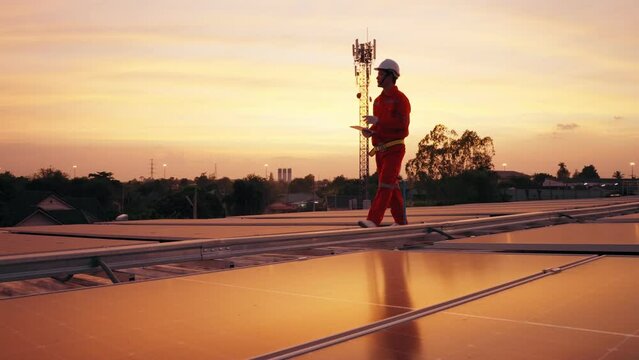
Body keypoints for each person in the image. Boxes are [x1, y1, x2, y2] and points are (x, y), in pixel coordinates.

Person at [358, 59, 410, 228]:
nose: (377, 77)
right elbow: (381, 126)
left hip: (394, 148)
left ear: (390, 75)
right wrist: (371, 131)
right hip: (380, 150)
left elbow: (402, 125)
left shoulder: (401, 99)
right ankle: (401, 222)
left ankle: (373, 219)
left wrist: (379, 120)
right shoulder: (378, 101)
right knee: (391, 186)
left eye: (380, 73)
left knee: (386, 184)